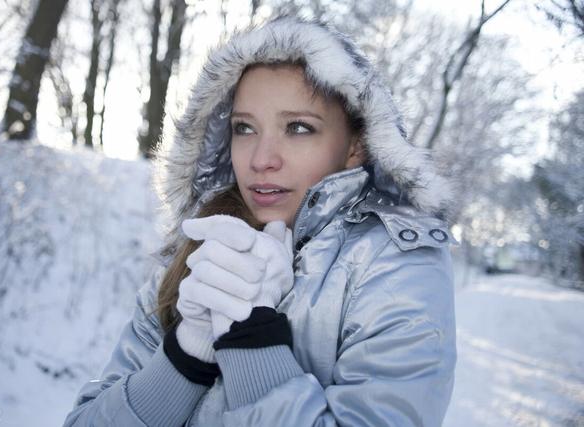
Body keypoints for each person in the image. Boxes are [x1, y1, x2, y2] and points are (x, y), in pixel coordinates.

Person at [64, 14, 458, 427]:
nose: (261, 159)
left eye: (299, 128)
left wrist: (252, 344)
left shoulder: (397, 265)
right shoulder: (199, 254)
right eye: (244, 128)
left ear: (356, 145)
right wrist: (185, 356)